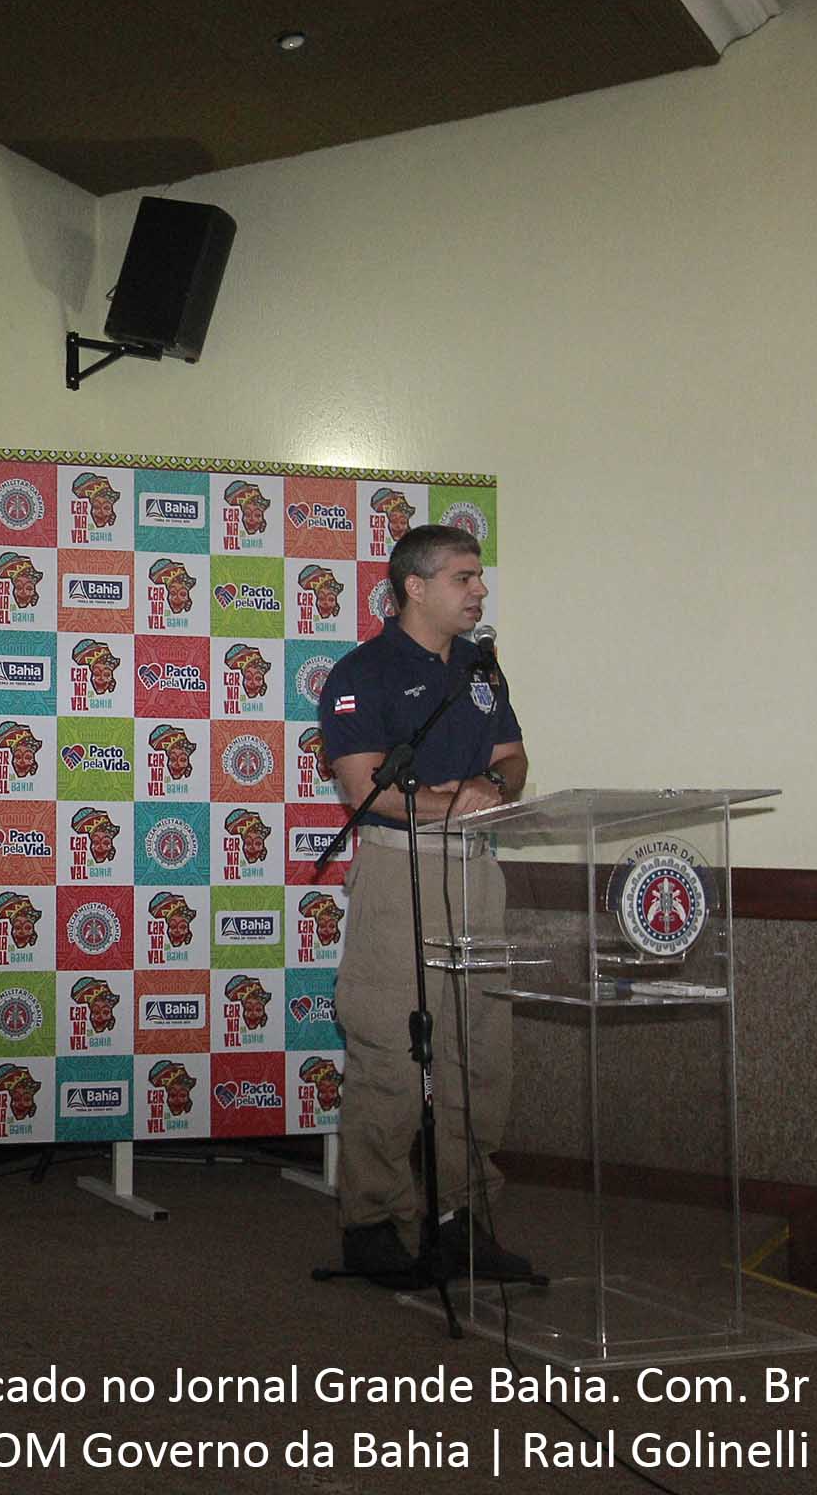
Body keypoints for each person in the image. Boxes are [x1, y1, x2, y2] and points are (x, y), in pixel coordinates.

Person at [316, 524, 529, 1285]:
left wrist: (491, 790)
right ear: (415, 586)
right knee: (393, 1061)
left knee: (481, 1056)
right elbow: (364, 786)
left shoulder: (481, 666)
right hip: (397, 877)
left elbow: (513, 759)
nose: (478, 591)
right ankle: (372, 1225)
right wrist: (453, 800)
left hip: (478, 877)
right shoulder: (360, 673)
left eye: (478, 578)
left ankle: (461, 1219)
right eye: (464, 578)